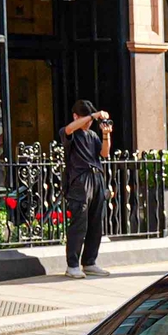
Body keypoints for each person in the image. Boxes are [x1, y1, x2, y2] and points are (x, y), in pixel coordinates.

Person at [60, 99, 112, 277]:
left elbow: (104, 153)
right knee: (79, 223)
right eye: (85, 118)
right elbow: (68, 129)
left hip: (96, 177)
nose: (89, 122)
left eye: (90, 120)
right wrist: (93, 115)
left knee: (95, 223)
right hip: (79, 180)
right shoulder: (71, 133)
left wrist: (106, 134)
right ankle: (72, 264)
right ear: (76, 116)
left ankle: (90, 261)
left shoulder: (92, 136)